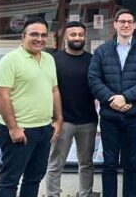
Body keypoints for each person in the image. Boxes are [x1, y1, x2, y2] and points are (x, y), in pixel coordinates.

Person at [88, 9, 136, 197]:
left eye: (129, 22)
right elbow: (94, 79)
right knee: (109, 163)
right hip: (110, 116)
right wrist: (114, 100)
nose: (126, 25)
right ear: (115, 24)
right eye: (122, 21)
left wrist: (125, 97)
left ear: (135, 25)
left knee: (133, 162)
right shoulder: (102, 51)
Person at [0, 17, 62, 197]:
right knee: (10, 180)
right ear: (23, 36)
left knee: (34, 178)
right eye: (34, 34)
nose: (39, 39)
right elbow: (2, 96)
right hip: (21, 131)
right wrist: (13, 128)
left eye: (43, 35)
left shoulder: (49, 59)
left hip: (44, 129)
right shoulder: (10, 60)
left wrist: (59, 119)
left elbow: (54, 90)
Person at [45, 21, 97, 197]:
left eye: (80, 35)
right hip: (62, 121)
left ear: (85, 37)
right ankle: (53, 195)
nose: (77, 38)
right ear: (66, 36)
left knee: (86, 163)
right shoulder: (54, 60)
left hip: (88, 120)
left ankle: (85, 193)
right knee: (55, 163)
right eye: (73, 34)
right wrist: (54, 118)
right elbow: (49, 90)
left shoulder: (93, 60)